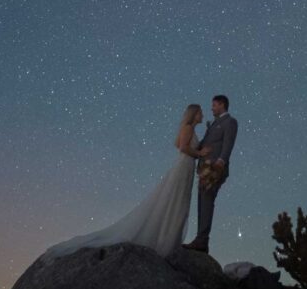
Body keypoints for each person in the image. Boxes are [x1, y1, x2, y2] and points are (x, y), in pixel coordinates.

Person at [43, 103, 209, 260]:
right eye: (200, 112)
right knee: (175, 200)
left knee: (178, 201)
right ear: (194, 114)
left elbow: (177, 144)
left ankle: (169, 238)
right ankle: (166, 241)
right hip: (183, 166)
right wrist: (200, 154)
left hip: (185, 166)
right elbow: (182, 147)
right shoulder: (187, 128)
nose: (202, 115)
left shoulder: (190, 129)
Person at [184, 94, 238, 254]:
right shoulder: (214, 123)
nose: (211, 108)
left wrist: (221, 161)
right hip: (204, 168)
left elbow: (228, 143)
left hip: (215, 168)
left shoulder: (230, 122)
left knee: (207, 200)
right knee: (202, 201)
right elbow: (205, 144)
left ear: (221, 105)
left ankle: (202, 240)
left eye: (214, 105)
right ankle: (201, 240)